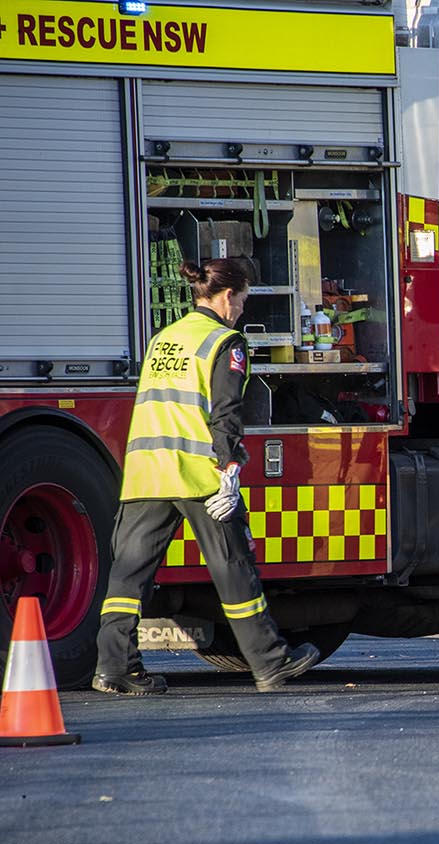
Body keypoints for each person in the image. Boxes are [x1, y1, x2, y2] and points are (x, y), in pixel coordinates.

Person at [93, 259, 320, 695]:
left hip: (147, 472)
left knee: (129, 573)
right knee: (233, 565)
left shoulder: (164, 339)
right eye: (243, 300)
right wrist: (231, 470)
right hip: (200, 473)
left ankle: (115, 667)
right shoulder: (224, 342)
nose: (242, 309)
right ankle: (271, 664)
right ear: (227, 296)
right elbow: (226, 414)